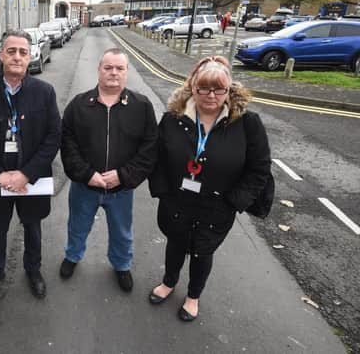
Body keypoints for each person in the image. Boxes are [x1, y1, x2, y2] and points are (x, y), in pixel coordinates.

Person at [147, 55, 271, 322]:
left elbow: (259, 169)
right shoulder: (173, 119)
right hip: (177, 201)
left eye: (219, 89)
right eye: (204, 87)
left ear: (229, 90)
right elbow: (155, 158)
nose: (211, 95)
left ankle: (193, 296)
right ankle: (169, 282)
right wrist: (162, 191)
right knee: (176, 244)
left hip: (217, 206)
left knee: (203, 251)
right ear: (193, 86)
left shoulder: (248, 124)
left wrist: (234, 202)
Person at [0, 29, 61, 299]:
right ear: (0, 55)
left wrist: (25, 174)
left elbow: (54, 137)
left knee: (32, 226)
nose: (17, 57)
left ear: (30, 56)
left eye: (23, 52)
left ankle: (33, 270)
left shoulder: (45, 92)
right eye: (11, 51)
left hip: (31, 179)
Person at [59, 48, 158, 292]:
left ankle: (122, 265)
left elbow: (149, 149)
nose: (113, 72)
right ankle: (72, 256)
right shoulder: (79, 105)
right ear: (99, 70)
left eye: (119, 68)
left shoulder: (142, 106)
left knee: (122, 231)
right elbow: (67, 144)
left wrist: (123, 176)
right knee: (78, 226)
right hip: (85, 186)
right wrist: (87, 175)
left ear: (126, 72)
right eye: (108, 67)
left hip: (121, 189)